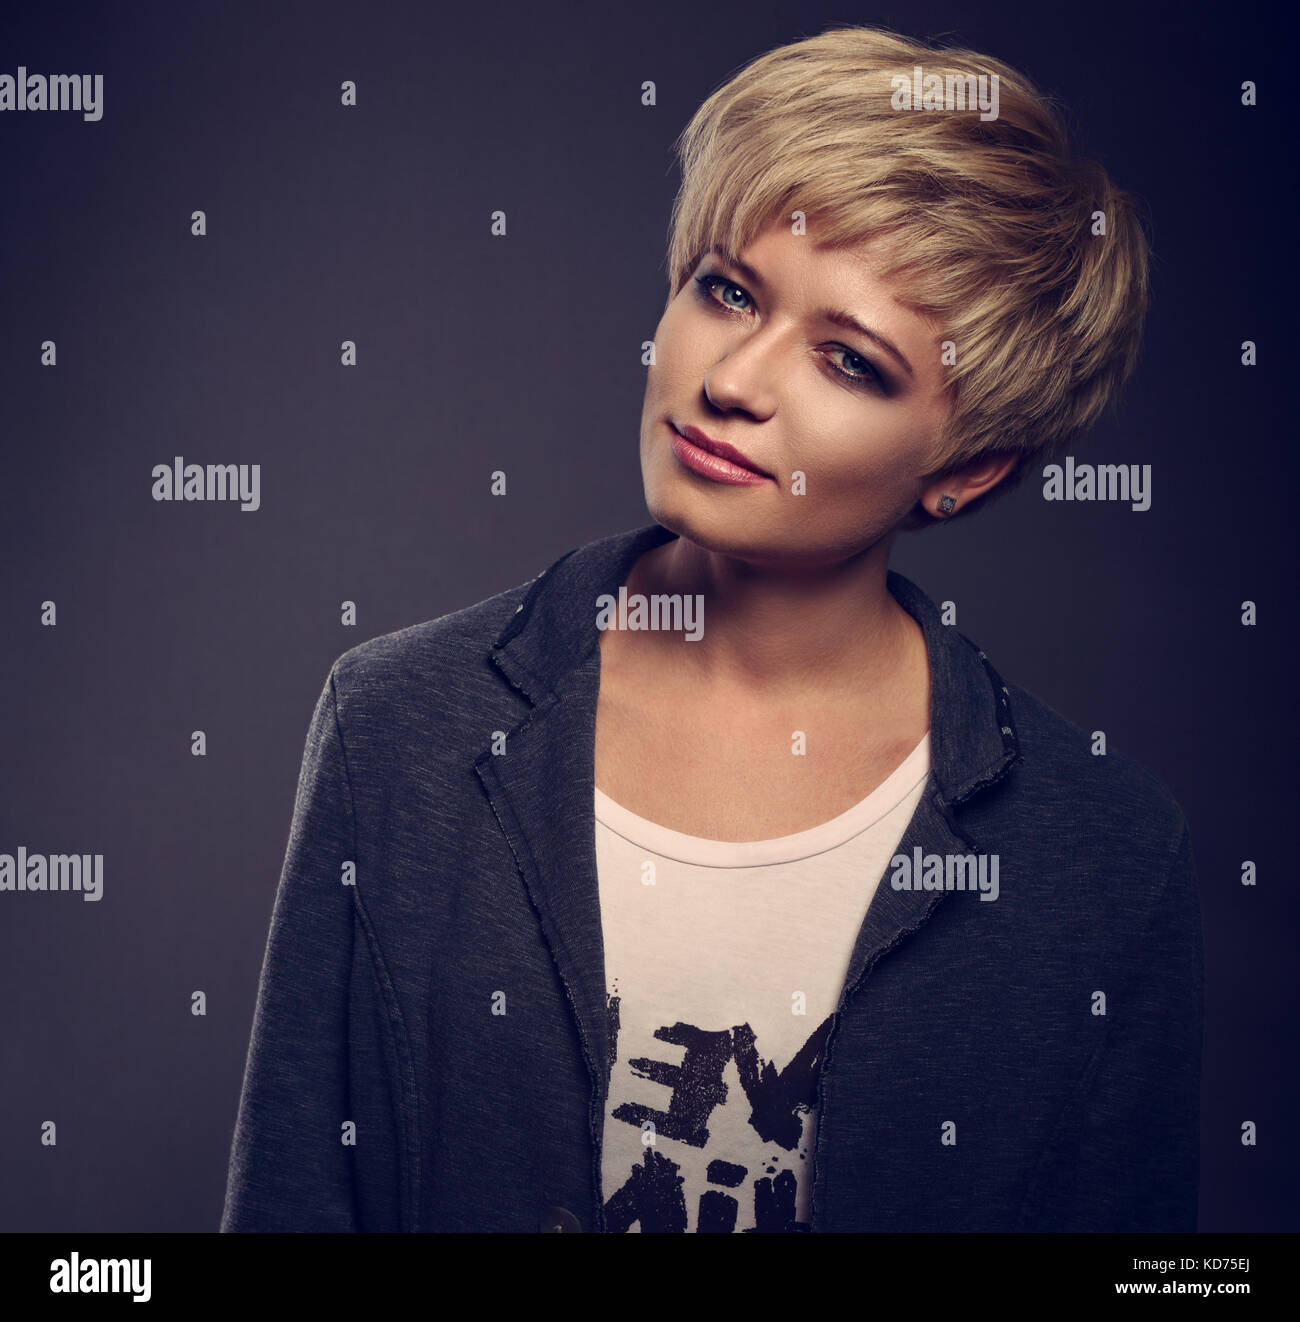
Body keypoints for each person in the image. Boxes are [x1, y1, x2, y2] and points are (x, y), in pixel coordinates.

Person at [220, 24, 1201, 1234]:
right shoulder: (400, 726)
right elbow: (296, 1201)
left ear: (970, 467)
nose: (735, 377)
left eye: (847, 361)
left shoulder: (1101, 854)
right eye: (727, 290)